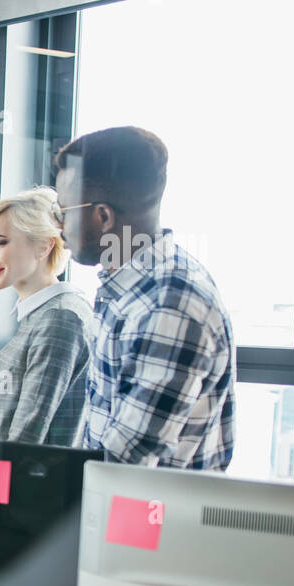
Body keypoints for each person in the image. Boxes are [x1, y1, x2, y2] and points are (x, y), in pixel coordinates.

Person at [53, 126, 236, 469]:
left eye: (63, 212)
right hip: (121, 509)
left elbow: (121, 463)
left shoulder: (169, 304)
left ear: (102, 216)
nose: (59, 226)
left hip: (154, 518)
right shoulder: (128, 287)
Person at [0, 188, 94, 446]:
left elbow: (26, 439)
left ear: (43, 245)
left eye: (0, 242)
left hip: (23, 483)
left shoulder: (59, 318)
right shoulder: (42, 314)